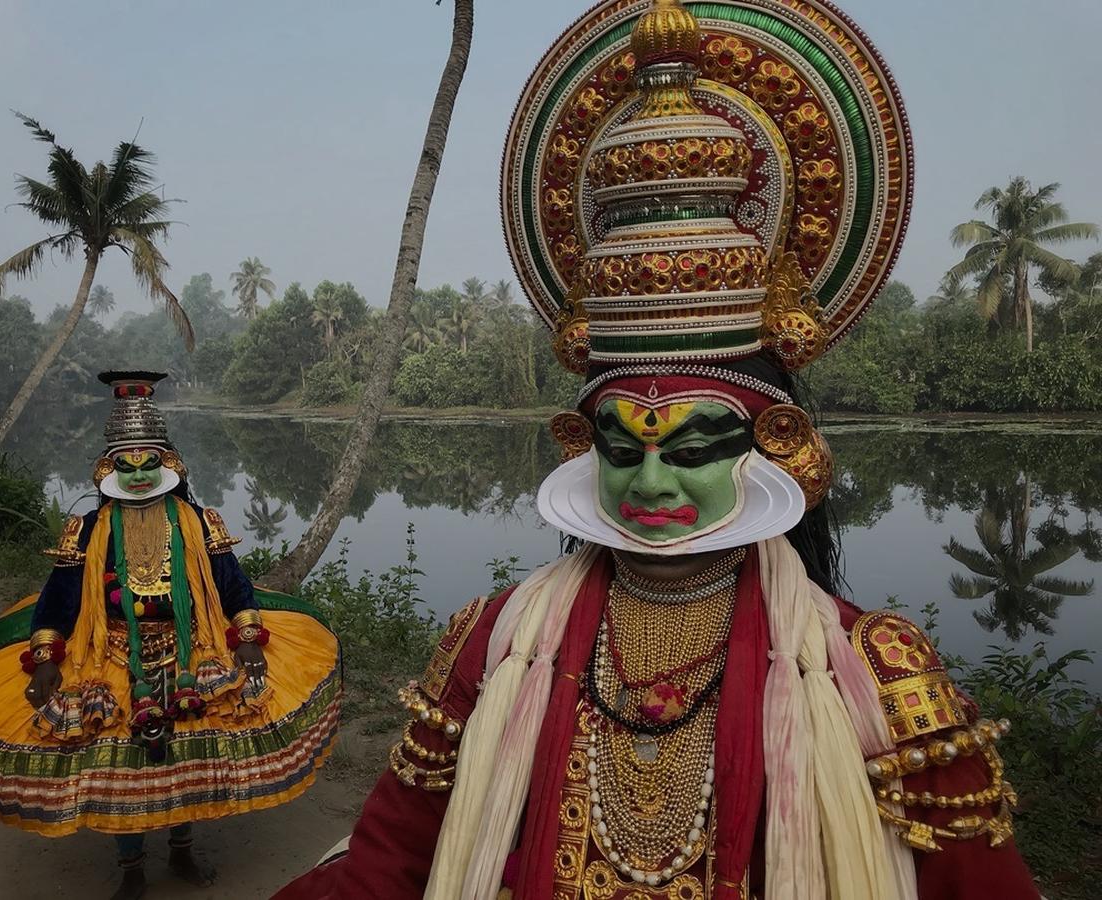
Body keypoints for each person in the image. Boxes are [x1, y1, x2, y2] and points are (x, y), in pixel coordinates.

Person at [273, 1, 1040, 898]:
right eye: (620, 445)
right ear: (578, 444)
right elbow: (389, 863)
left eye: (691, 446)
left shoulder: (874, 674)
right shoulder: (492, 644)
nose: (647, 480)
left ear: (775, 442)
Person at [0, 371, 342, 900]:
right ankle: (130, 867)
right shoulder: (86, 531)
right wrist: (44, 658)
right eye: (125, 464)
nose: (136, 474)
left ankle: (181, 851)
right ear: (106, 468)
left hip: (192, 650)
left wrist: (246, 636)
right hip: (106, 655)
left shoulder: (200, 522)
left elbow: (233, 588)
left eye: (147, 461)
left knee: (183, 765)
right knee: (119, 769)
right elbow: (57, 601)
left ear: (168, 463)